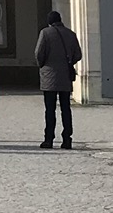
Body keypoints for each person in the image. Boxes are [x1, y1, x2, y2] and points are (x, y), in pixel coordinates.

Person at [35, 9, 84, 150]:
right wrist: (68, 63)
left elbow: (39, 53)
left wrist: (43, 65)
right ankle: (67, 139)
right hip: (65, 77)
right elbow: (78, 54)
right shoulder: (71, 34)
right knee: (65, 109)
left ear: (50, 22)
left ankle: (49, 139)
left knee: (50, 110)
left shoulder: (45, 33)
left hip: (48, 77)